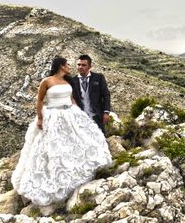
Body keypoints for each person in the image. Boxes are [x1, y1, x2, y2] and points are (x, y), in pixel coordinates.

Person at [11, 56, 112, 207]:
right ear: (60, 66)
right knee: (53, 148)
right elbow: (39, 101)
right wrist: (40, 118)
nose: (70, 67)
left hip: (69, 114)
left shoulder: (68, 81)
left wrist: (79, 114)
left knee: (76, 142)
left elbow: (72, 99)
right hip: (53, 115)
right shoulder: (47, 81)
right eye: (67, 64)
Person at [71, 54, 111, 134]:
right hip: (80, 117)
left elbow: (106, 95)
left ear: (90, 66)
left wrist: (106, 112)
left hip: (96, 115)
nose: (80, 67)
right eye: (78, 64)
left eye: (83, 65)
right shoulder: (72, 81)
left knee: (100, 139)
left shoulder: (99, 77)